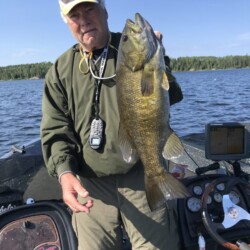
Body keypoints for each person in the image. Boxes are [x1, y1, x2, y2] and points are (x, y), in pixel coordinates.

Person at [41, 0, 183, 249]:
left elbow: (172, 97)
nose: (83, 19)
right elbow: (55, 129)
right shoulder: (60, 70)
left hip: (141, 173)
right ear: (66, 22)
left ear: (105, 12)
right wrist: (64, 172)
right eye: (74, 15)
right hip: (91, 186)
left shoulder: (129, 48)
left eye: (89, 9)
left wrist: (160, 60)